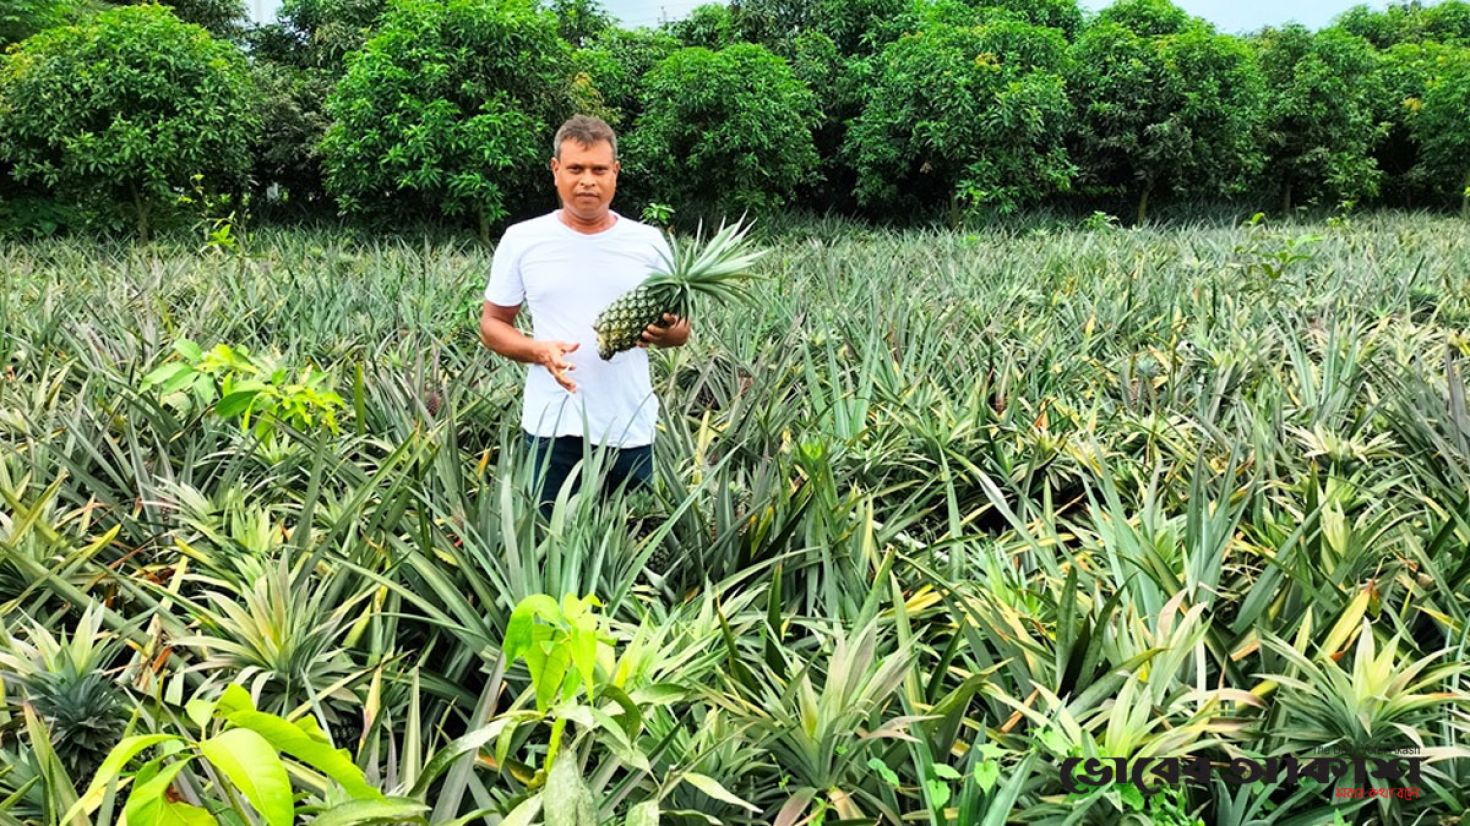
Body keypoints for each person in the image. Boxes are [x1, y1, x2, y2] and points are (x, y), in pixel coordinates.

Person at [479, 115, 688, 513]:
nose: (587, 180)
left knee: (634, 541)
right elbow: (492, 325)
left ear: (616, 173)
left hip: (629, 423)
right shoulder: (522, 239)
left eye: (599, 169)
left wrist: (664, 333)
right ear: (556, 170)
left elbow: (681, 331)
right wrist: (539, 351)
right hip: (551, 425)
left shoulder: (648, 243)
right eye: (575, 168)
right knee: (546, 546)